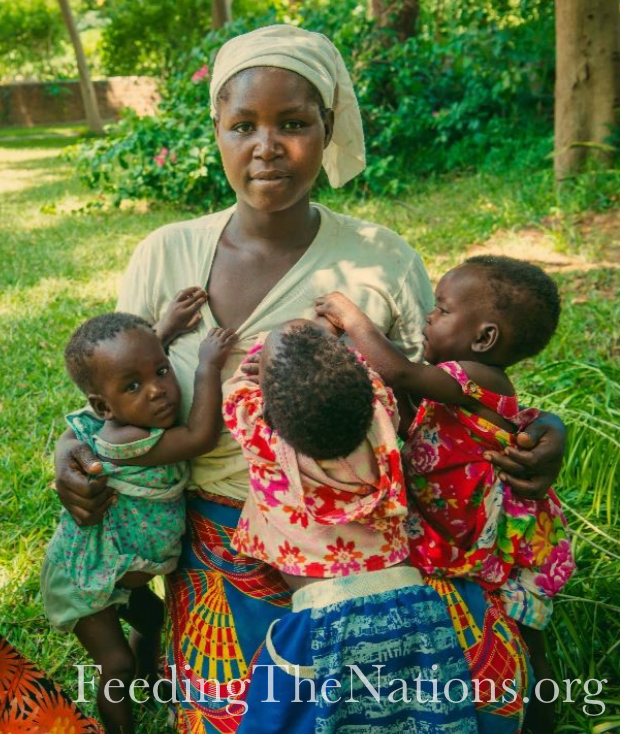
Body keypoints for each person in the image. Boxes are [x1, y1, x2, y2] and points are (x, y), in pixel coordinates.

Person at [52, 24, 566, 734]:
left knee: (453, 702)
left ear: (327, 130)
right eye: (243, 126)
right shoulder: (165, 254)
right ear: (218, 134)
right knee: (241, 717)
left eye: (294, 124)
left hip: (367, 538)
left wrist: (549, 431)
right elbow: (114, 386)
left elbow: (461, 384)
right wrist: (67, 453)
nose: (268, 146)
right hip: (218, 540)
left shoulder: (378, 258)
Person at [315, 256, 577, 732]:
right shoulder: (461, 378)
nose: (430, 318)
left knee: (522, 629)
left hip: (499, 534)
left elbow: (400, 373)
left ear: (484, 337)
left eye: (441, 309)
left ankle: (540, 718)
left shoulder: (475, 376)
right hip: (466, 528)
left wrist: (351, 317)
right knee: (506, 627)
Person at [222, 319, 480, 732]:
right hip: (410, 599)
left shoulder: (262, 433)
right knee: (419, 716)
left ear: (269, 406)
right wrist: (333, 345)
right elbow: (370, 377)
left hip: (323, 619)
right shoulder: (380, 413)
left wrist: (259, 357)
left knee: (328, 719)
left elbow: (235, 392)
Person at [42, 309, 237, 733]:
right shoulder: (127, 439)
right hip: (84, 581)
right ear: (103, 407)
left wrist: (162, 331)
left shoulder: (126, 415)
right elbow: (201, 436)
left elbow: (133, 367)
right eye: (134, 386)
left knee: (154, 623)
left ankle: (149, 685)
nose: (158, 391)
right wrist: (207, 365)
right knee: (116, 662)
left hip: (117, 579)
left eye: (162, 371)